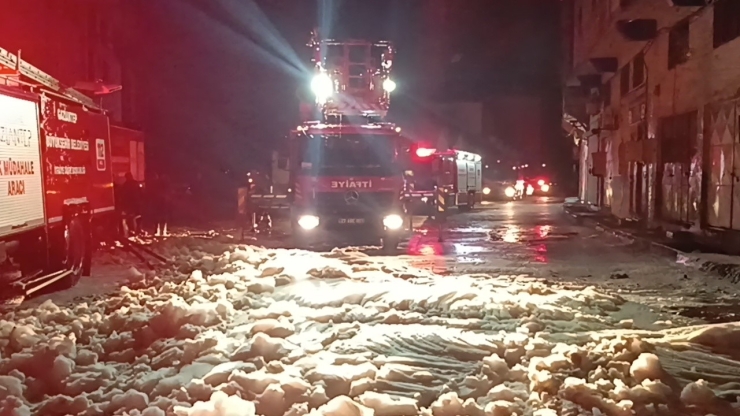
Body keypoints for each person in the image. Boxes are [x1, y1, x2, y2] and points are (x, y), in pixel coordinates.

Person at [116, 172, 142, 237]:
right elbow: (141, 192)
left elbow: (123, 196)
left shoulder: (125, 185)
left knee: (129, 218)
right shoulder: (136, 183)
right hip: (137, 204)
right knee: (136, 217)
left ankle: (130, 233)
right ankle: (136, 230)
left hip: (129, 205)